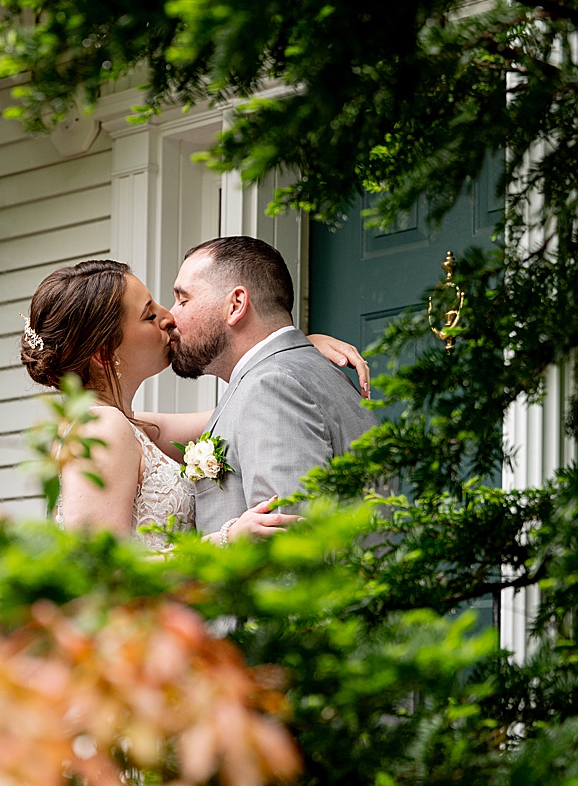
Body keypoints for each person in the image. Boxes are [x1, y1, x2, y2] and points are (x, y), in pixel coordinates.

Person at [21, 256, 371, 551]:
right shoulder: (100, 428)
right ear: (103, 352)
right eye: (148, 315)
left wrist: (288, 348)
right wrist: (226, 541)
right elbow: (102, 575)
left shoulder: (120, 425)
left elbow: (246, 408)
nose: (169, 318)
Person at [156, 235, 376, 539]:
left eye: (183, 299)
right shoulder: (296, 375)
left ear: (236, 304)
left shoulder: (271, 386)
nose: (170, 316)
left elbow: (287, 545)